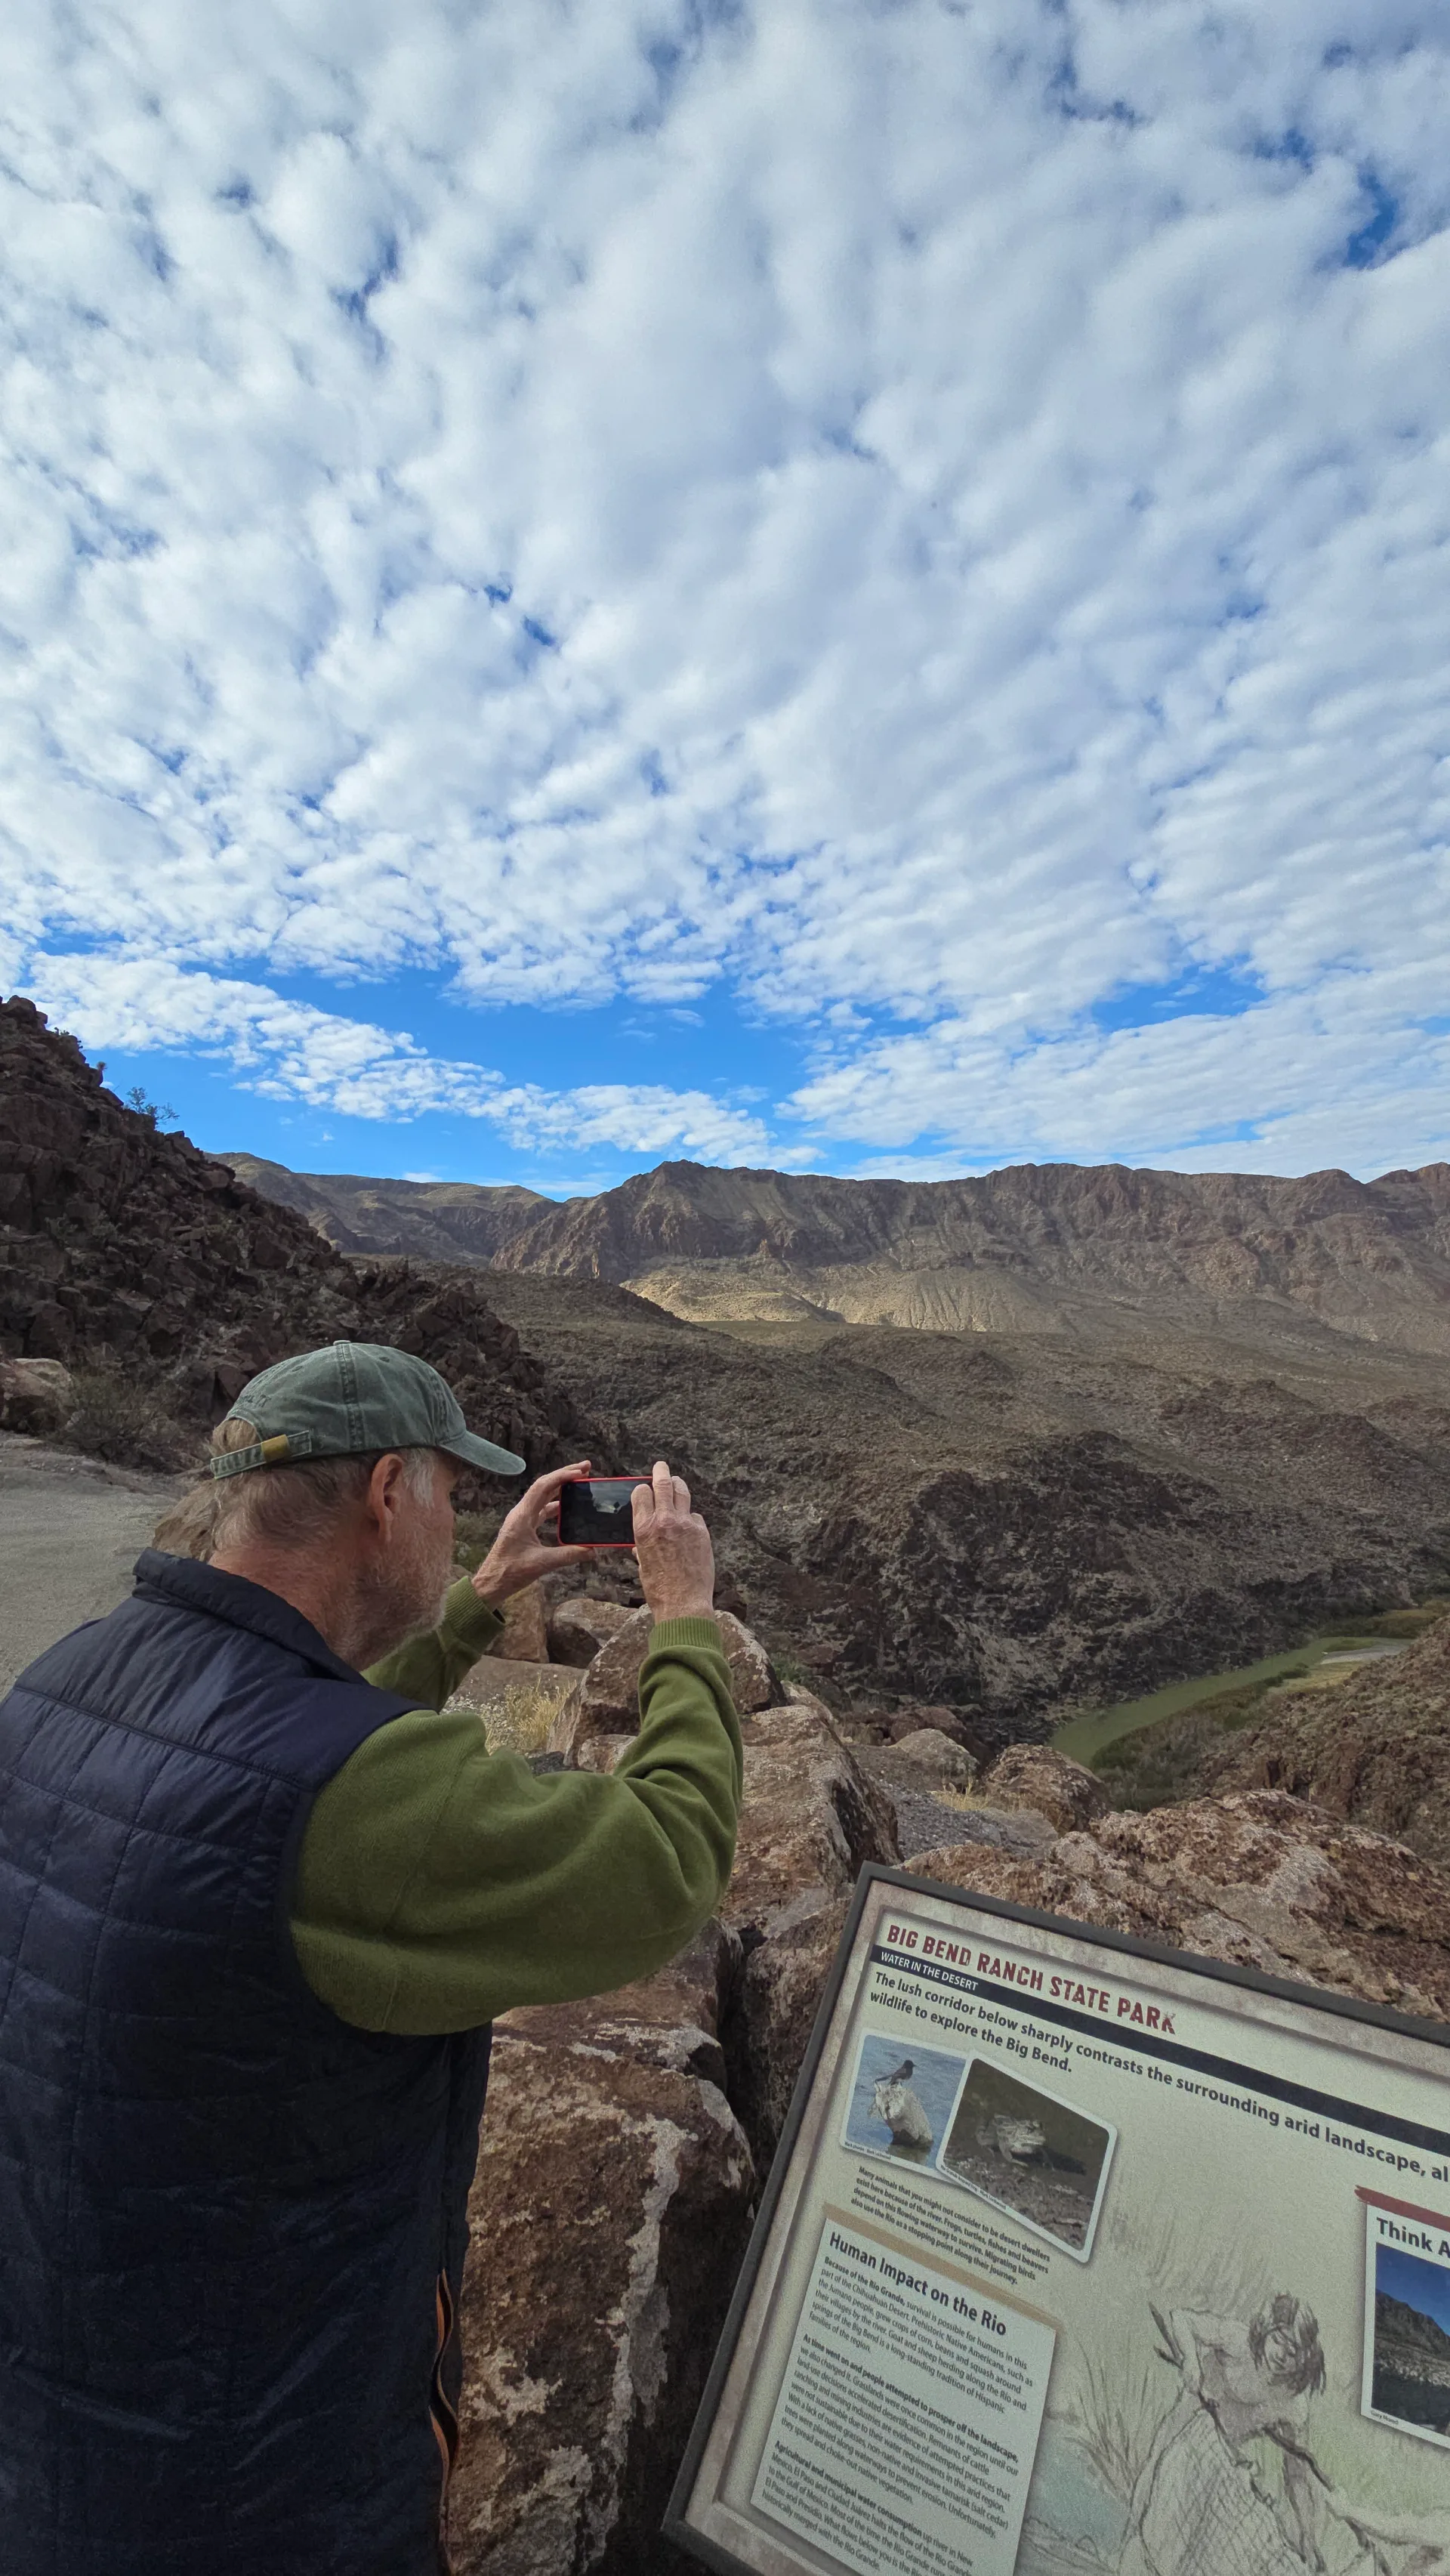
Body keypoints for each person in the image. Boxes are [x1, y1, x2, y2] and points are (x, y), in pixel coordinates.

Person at [0, 1340, 742, 2576]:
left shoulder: (63, 1683)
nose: (458, 1526)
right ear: (389, 1492)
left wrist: (477, 1600)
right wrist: (684, 1618)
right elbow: (666, 1860)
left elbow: (280, 1756)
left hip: (61, 2432)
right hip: (261, 2489)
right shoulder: (360, 1799)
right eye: (451, 1495)